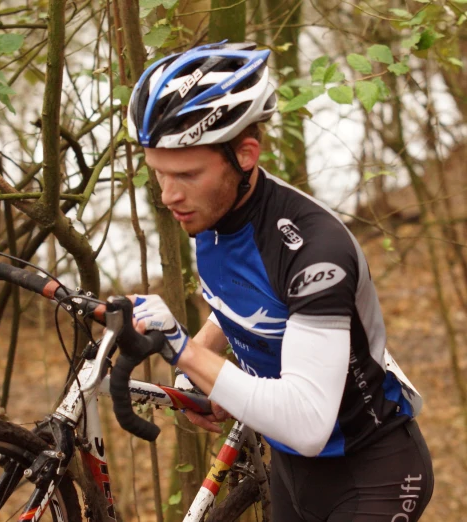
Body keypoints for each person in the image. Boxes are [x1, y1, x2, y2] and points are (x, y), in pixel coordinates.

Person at [123, 41, 434, 521]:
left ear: (245, 154)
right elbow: (238, 304)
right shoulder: (214, 213)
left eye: (185, 174)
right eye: (158, 175)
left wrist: (185, 350)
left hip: (374, 473)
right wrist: (203, 373)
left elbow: (309, 421)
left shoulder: (314, 251)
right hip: (292, 470)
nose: (169, 196)